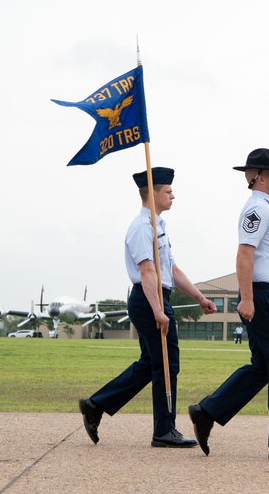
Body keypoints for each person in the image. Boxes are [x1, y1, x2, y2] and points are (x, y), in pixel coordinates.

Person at [188, 148, 269, 461]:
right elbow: (245, 254)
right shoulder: (257, 211)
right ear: (260, 177)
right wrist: (247, 297)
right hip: (263, 296)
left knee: (263, 367)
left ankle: (208, 410)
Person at [78, 167, 217, 447]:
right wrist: (158, 310)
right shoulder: (142, 227)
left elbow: (171, 270)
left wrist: (200, 297)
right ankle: (164, 431)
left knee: (150, 365)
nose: (173, 195)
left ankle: (96, 404)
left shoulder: (158, 225)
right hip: (148, 298)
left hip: (156, 296)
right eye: (168, 191)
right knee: (167, 365)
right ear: (153, 193)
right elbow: (147, 272)